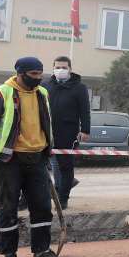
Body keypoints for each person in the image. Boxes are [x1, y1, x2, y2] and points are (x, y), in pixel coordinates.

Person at [0, 56, 65, 257]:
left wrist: (46, 153)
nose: (38, 78)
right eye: (33, 74)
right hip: (8, 160)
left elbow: (45, 124)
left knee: (42, 206)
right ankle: (9, 254)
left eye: (40, 74)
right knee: (8, 207)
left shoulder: (42, 93)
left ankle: (42, 251)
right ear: (20, 73)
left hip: (37, 159)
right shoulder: (1, 94)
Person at [42, 55, 90, 209]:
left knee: (65, 166)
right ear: (53, 68)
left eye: (64, 67)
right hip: (46, 131)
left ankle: (63, 198)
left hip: (67, 131)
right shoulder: (45, 85)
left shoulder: (79, 87)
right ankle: (51, 191)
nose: (60, 70)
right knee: (43, 164)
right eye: (57, 67)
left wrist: (85, 130)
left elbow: (85, 111)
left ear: (70, 69)